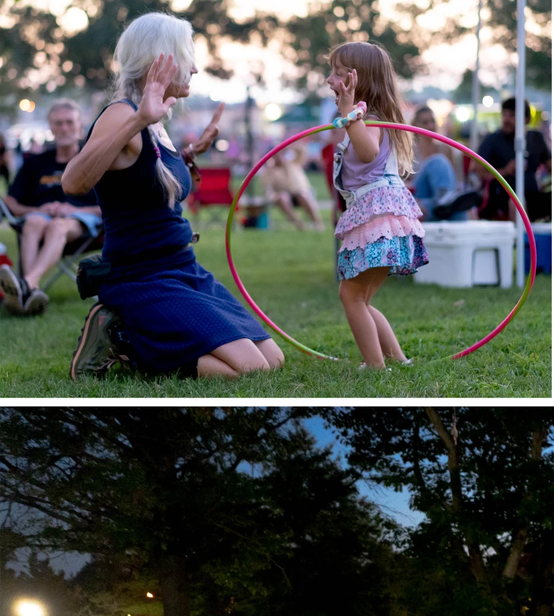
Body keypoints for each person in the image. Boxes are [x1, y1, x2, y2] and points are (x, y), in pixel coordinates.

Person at [61, 14, 284, 380]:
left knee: (272, 359)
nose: (195, 68)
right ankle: (123, 340)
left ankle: (138, 337)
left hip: (184, 268)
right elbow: (73, 182)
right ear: (159, 60)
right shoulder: (123, 116)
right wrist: (137, 121)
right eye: (187, 57)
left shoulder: (157, 122)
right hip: (143, 277)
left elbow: (140, 174)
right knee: (250, 368)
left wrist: (190, 154)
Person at [325, 42, 424, 370]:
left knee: (350, 296)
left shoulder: (373, 119)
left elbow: (367, 153)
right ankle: (398, 360)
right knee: (361, 298)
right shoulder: (367, 118)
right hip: (383, 213)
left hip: (378, 214)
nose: (329, 81)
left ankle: (376, 367)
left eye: (337, 74)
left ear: (358, 79)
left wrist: (348, 112)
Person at [0, 101, 103, 316]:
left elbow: (114, 205)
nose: (64, 128)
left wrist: (71, 209)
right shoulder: (35, 163)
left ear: (79, 126)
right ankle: (31, 290)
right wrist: (36, 210)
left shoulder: (95, 160)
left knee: (58, 225)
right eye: (58, 123)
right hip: (39, 217)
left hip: (82, 222)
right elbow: (11, 202)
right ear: (51, 127)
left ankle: (26, 286)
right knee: (34, 222)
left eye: (69, 122)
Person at [476, 97, 552, 221]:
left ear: (526, 119)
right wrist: (506, 170)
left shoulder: (535, 137)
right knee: (516, 203)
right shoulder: (492, 140)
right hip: (503, 197)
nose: (506, 119)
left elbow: (552, 166)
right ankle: (521, 239)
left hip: (534, 195)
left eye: (512, 115)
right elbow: (478, 171)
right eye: (504, 115)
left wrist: (546, 183)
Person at [261, 141, 323, 230]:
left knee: (303, 196)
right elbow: (266, 186)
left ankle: (317, 223)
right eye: (275, 155)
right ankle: (299, 224)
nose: (278, 157)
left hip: (298, 193)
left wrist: (288, 146)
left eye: (279, 153)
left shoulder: (292, 163)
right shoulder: (270, 171)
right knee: (283, 197)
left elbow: (302, 151)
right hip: (283, 195)